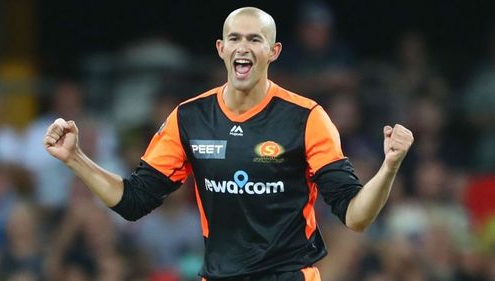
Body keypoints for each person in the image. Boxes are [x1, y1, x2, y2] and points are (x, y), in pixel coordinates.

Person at [43, 7, 414, 281]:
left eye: (256, 39)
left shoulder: (307, 118)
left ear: (274, 51)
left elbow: (355, 216)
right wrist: (75, 158)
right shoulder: (189, 118)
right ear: (221, 48)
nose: (244, 47)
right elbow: (134, 200)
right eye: (235, 38)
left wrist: (390, 166)